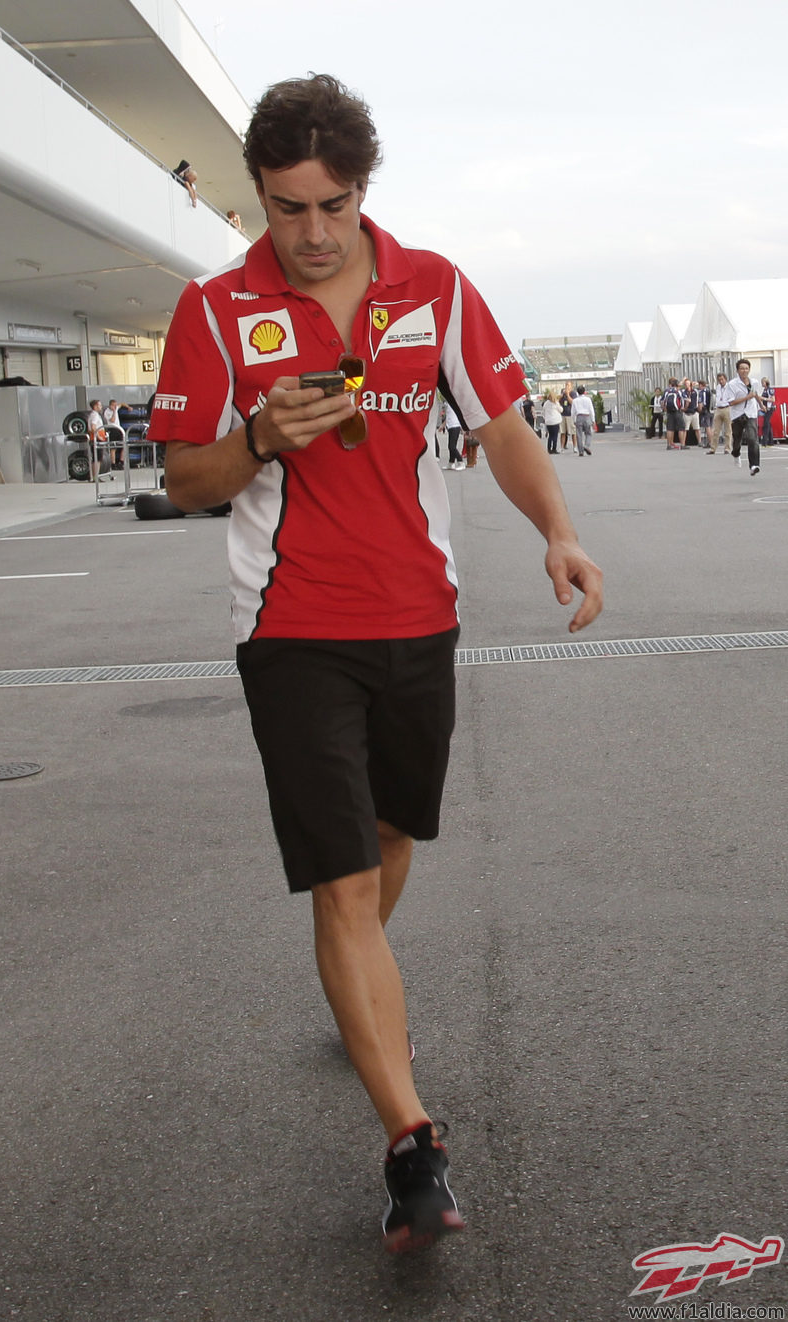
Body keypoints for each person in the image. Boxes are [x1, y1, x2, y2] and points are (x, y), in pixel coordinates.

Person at [148, 72, 602, 1255]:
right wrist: (255, 439)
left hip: (419, 619)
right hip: (291, 628)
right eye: (285, 208)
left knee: (394, 842)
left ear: (364, 191)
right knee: (343, 885)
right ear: (257, 194)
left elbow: (502, 425)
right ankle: (414, 1147)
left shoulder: (435, 288)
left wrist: (557, 528)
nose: (308, 234)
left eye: (331, 206)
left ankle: (355, 991)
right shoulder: (211, 309)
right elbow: (182, 479)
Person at [729, 357, 763, 475]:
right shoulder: (732, 384)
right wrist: (746, 397)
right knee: (737, 439)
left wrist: (761, 405)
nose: (744, 370)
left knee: (752, 439)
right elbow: (731, 402)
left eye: (746, 368)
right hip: (737, 415)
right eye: (742, 368)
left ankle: (754, 465)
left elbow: (755, 394)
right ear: (737, 370)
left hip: (751, 413)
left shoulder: (754, 382)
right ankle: (736, 453)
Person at [711, 372, 733, 454]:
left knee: (727, 430)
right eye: (719, 380)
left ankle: (727, 448)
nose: (721, 381)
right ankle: (713, 448)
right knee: (716, 430)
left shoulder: (729, 387)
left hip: (726, 407)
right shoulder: (718, 387)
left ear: (725, 379)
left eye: (722, 379)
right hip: (718, 408)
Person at [570, 386, 595, 455]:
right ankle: (586, 446)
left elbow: (573, 412)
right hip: (587, 416)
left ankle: (580, 451)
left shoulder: (575, 400)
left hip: (579, 417)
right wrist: (593, 419)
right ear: (584, 392)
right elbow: (591, 410)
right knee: (588, 433)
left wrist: (574, 420)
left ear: (577, 392)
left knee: (579, 435)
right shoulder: (588, 399)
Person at [663, 378, 686, 450]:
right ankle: (682, 445)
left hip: (669, 412)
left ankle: (669, 445)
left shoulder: (667, 391)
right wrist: (683, 408)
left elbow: (662, 401)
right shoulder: (679, 391)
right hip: (677, 411)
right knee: (681, 428)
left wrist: (665, 409)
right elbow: (683, 399)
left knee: (670, 429)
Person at [86, 398, 106, 481]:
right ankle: (95, 476)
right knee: (97, 458)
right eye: (99, 405)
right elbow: (93, 427)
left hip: (98, 438)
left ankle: (96, 476)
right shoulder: (94, 415)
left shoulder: (95, 415)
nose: (101, 407)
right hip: (96, 439)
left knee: (98, 458)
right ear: (95, 406)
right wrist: (98, 436)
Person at [443, 398, 464, 470]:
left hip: (455, 426)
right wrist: (443, 426)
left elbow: (460, 415)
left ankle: (460, 461)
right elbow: (448, 417)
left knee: (452, 446)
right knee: (450, 446)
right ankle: (451, 463)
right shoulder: (448, 404)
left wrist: (462, 428)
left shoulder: (456, 404)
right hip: (450, 426)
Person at [103, 398, 124, 469]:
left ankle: (121, 462)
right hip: (112, 429)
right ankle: (113, 463)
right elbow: (112, 420)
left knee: (123, 445)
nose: (115, 407)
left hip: (119, 429)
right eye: (114, 406)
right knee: (113, 448)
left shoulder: (116, 408)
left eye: (116, 405)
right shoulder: (107, 412)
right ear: (110, 405)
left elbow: (122, 404)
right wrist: (114, 412)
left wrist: (128, 407)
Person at [542, 389, 562, 454]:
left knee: (550, 436)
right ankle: (554, 449)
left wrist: (545, 419)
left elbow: (543, 412)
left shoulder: (546, 403)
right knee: (555, 436)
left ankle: (548, 449)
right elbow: (561, 410)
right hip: (555, 421)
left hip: (548, 422)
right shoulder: (556, 403)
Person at [559, 381, 575, 451]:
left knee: (573, 432)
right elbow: (558, 402)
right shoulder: (563, 394)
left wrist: (568, 394)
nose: (566, 386)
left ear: (571, 386)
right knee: (563, 432)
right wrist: (562, 395)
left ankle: (575, 447)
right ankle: (562, 447)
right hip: (563, 415)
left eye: (568, 385)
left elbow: (572, 402)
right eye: (566, 385)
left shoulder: (573, 393)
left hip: (570, 415)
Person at [759, 378, 775, 446]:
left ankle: (764, 442)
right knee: (768, 424)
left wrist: (763, 398)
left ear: (766, 382)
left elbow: (773, 400)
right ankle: (771, 441)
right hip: (765, 408)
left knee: (766, 424)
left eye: (763, 382)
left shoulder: (770, 390)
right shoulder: (764, 390)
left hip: (770, 408)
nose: (762, 383)